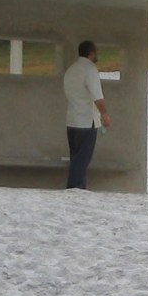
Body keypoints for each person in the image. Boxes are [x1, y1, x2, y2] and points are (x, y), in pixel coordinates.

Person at [62, 39, 110, 189]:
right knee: (82, 160)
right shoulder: (90, 70)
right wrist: (104, 114)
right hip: (86, 121)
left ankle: (78, 186)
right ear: (92, 53)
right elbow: (97, 96)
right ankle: (74, 187)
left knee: (76, 158)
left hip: (72, 120)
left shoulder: (71, 70)